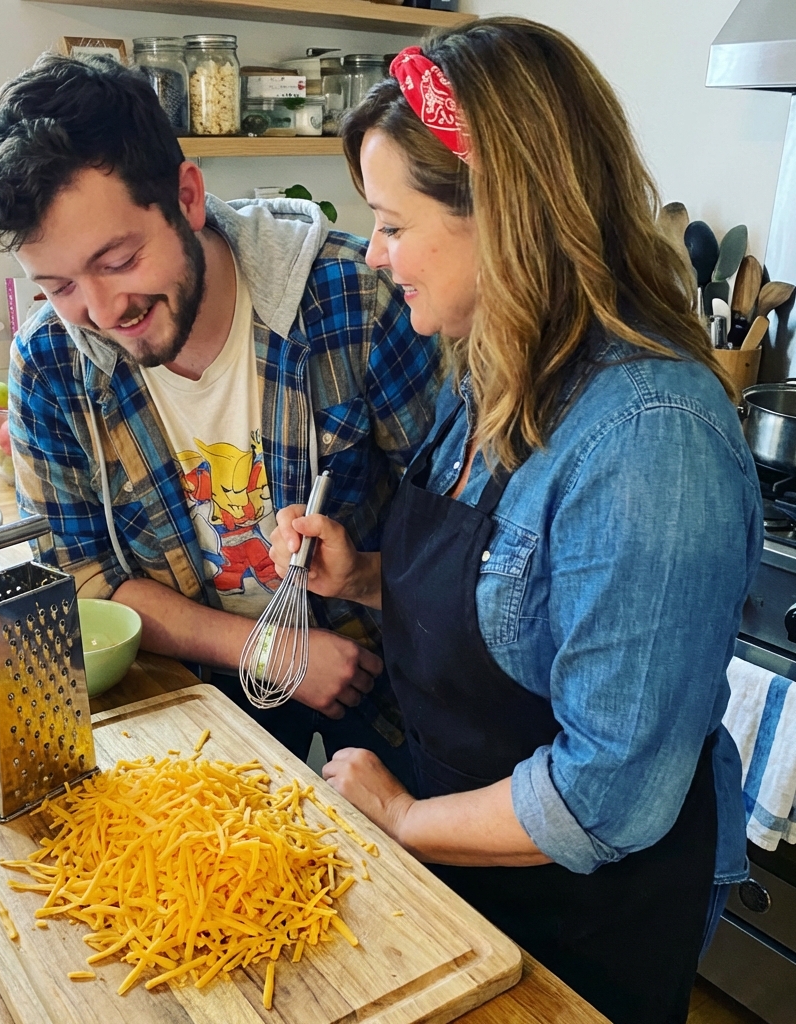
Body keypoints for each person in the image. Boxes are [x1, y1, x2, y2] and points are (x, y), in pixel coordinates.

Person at [269, 19, 761, 1024]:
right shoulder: (490, 368)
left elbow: (607, 796)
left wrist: (402, 816)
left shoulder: (649, 440)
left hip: (584, 919)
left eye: (393, 222)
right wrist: (361, 578)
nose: (374, 253)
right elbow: (508, 606)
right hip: (467, 874)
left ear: (504, 212)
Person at [0, 53, 440, 779]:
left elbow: (457, 536)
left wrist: (361, 577)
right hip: (186, 683)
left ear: (186, 197)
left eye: (118, 259)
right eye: (58, 284)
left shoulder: (355, 299)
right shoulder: (51, 360)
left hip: (384, 668)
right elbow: (79, 577)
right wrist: (266, 649)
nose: (101, 312)